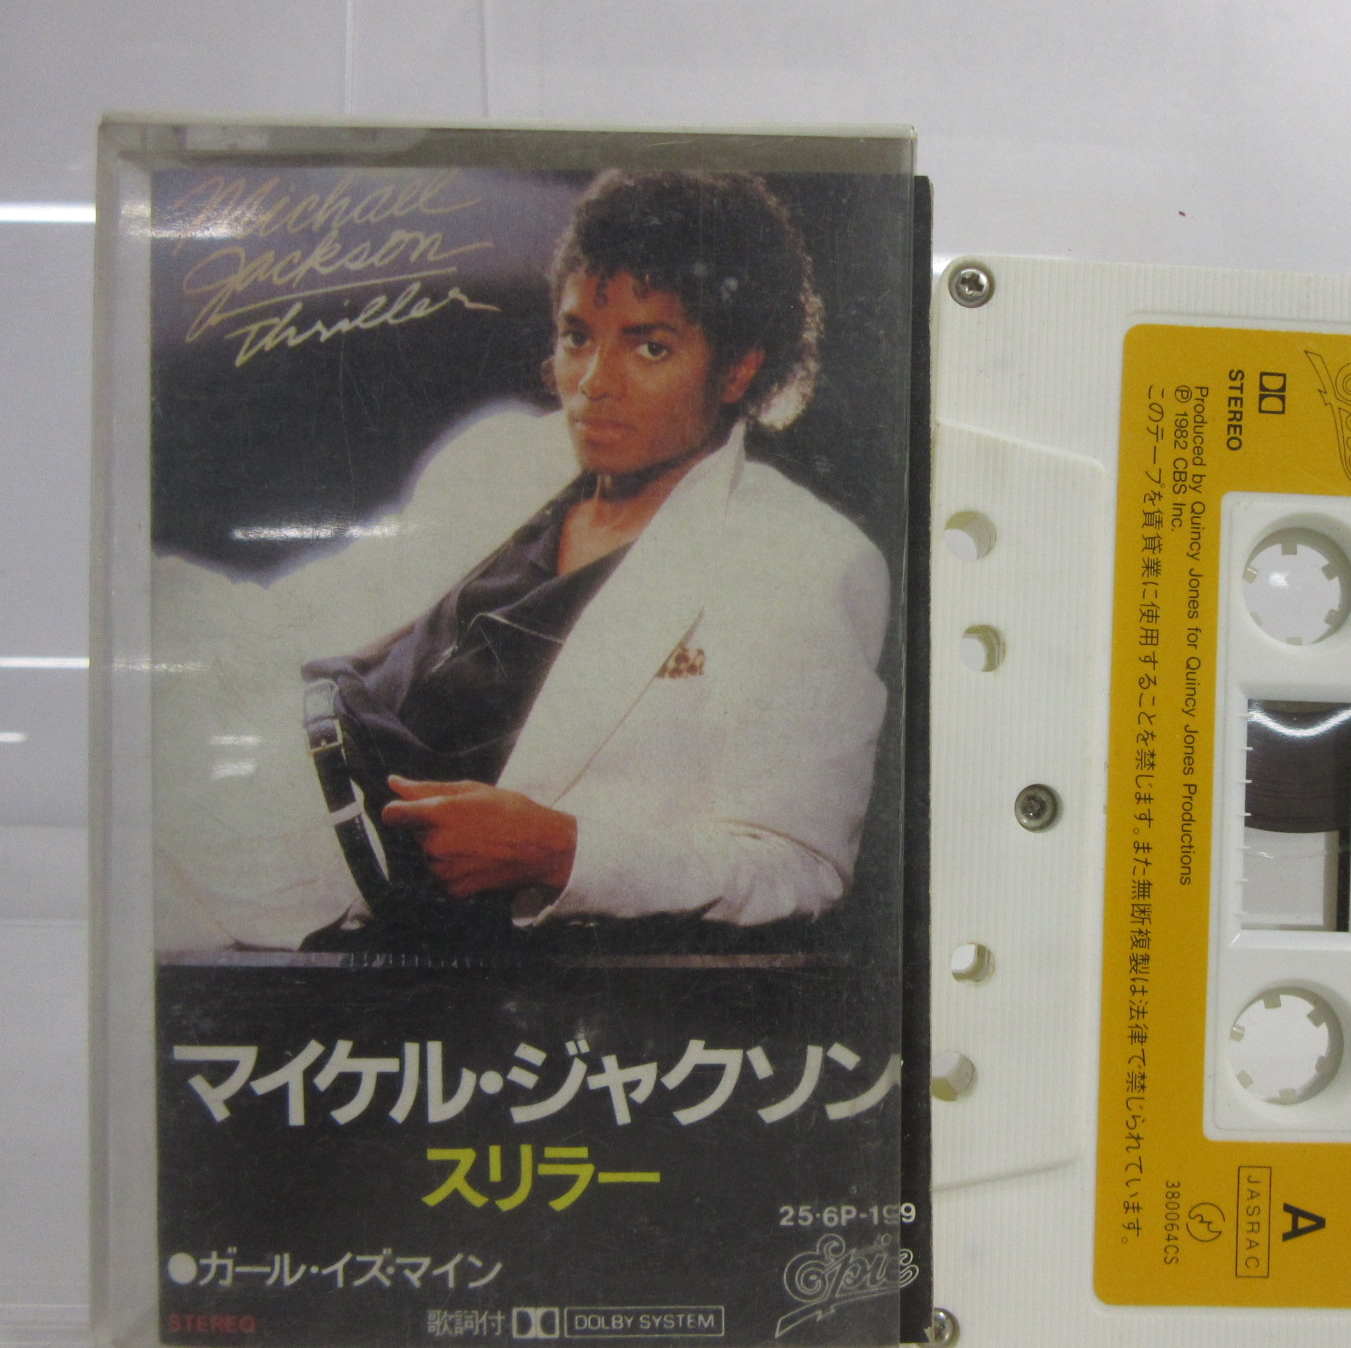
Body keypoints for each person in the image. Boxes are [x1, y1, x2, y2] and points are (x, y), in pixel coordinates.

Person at [148, 170, 891, 954]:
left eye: (650, 346)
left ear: (739, 368)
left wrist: (563, 853)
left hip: (317, 866)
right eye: (578, 337)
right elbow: (307, 613)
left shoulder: (801, 561)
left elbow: (798, 866)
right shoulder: (509, 453)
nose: (594, 384)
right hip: (250, 741)